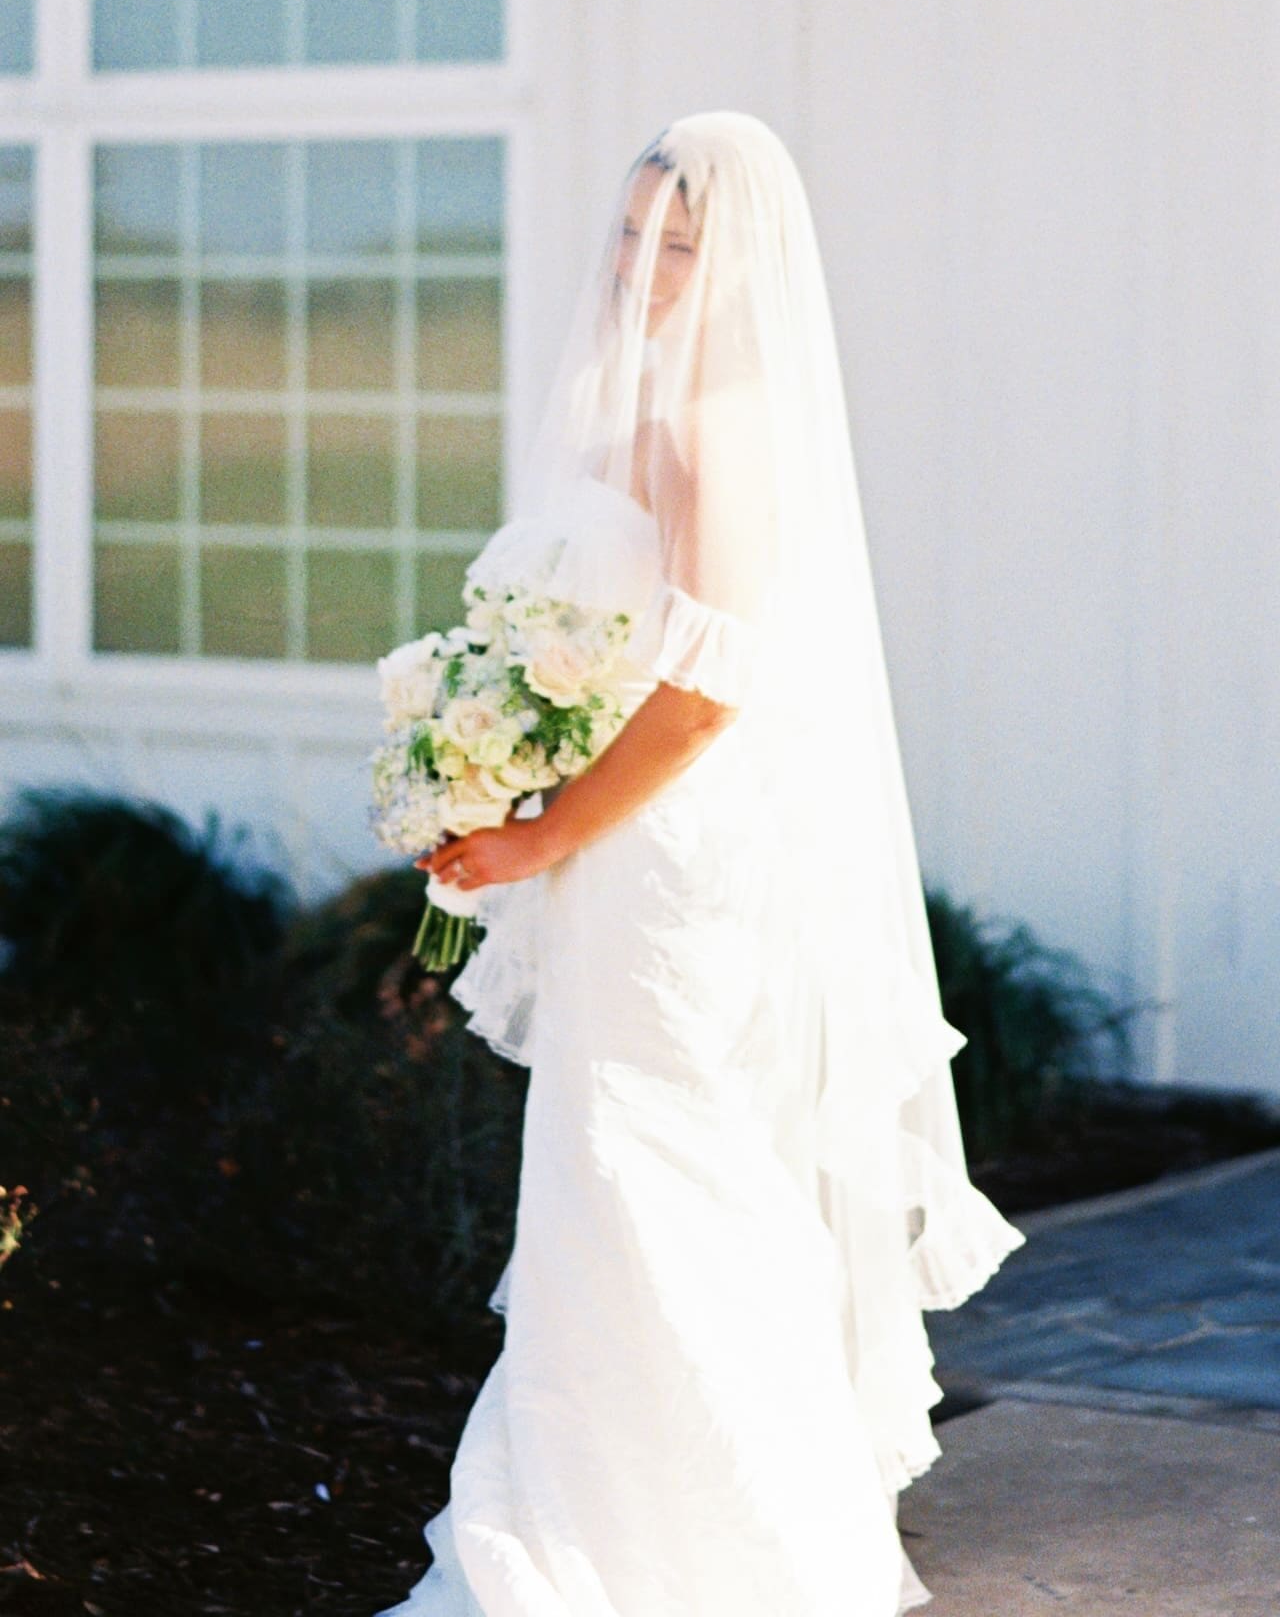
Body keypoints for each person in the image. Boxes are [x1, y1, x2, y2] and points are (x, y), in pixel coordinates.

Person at [373, 110, 1024, 1616]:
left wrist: (541, 826)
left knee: (663, 1164)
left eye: (684, 241)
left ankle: (700, 1545)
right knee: (621, 1168)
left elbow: (711, 686)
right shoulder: (628, 417)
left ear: (742, 267)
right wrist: (494, 745)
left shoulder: (712, 422)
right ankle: (610, 1506)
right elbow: (597, 655)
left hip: (669, 854)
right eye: (630, 230)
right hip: (622, 836)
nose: (648, 264)